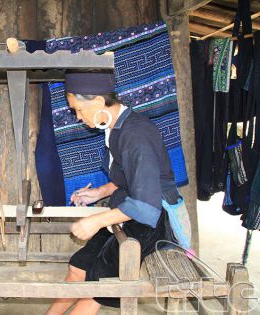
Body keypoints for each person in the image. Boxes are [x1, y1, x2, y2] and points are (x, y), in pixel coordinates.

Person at [45, 72, 181, 315]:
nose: (77, 117)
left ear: (98, 103)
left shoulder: (136, 135)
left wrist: (95, 221)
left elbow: (146, 205)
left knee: (100, 286)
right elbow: (129, 179)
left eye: (78, 110)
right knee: (78, 267)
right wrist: (98, 193)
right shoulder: (116, 127)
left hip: (152, 220)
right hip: (125, 211)